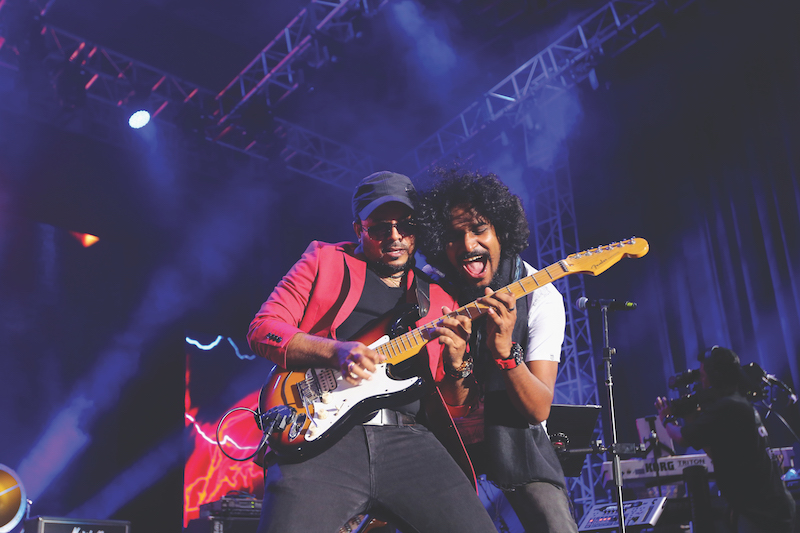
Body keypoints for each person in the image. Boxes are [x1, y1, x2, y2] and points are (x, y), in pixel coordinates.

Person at [247, 171, 497, 533]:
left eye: (406, 226)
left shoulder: (440, 297)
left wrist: (458, 364)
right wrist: (336, 351)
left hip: (410, 441)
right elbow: (263, 328)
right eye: (380, 227)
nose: (394, 237)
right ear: (358, 228)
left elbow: (456, 404)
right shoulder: (323, 260)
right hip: (323, 437)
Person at [416, 168, 579, 533]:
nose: (469, 244)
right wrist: (456, 366)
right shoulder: (428, 289)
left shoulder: (542, 295)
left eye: (478, 229)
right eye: (455, 236)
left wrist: (506, 354)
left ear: (500, 231)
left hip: (518, 445)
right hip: (447, 447)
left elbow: (538, 408)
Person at [655, 346, 796, 533]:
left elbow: (681, 437)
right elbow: (717, 453)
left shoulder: (727, 407)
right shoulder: (738, 405)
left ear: (716, 376)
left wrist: (666, 419)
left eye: (703, 374)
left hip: (761, 512)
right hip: (764, 508)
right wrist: (693, 420)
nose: (702, 379)